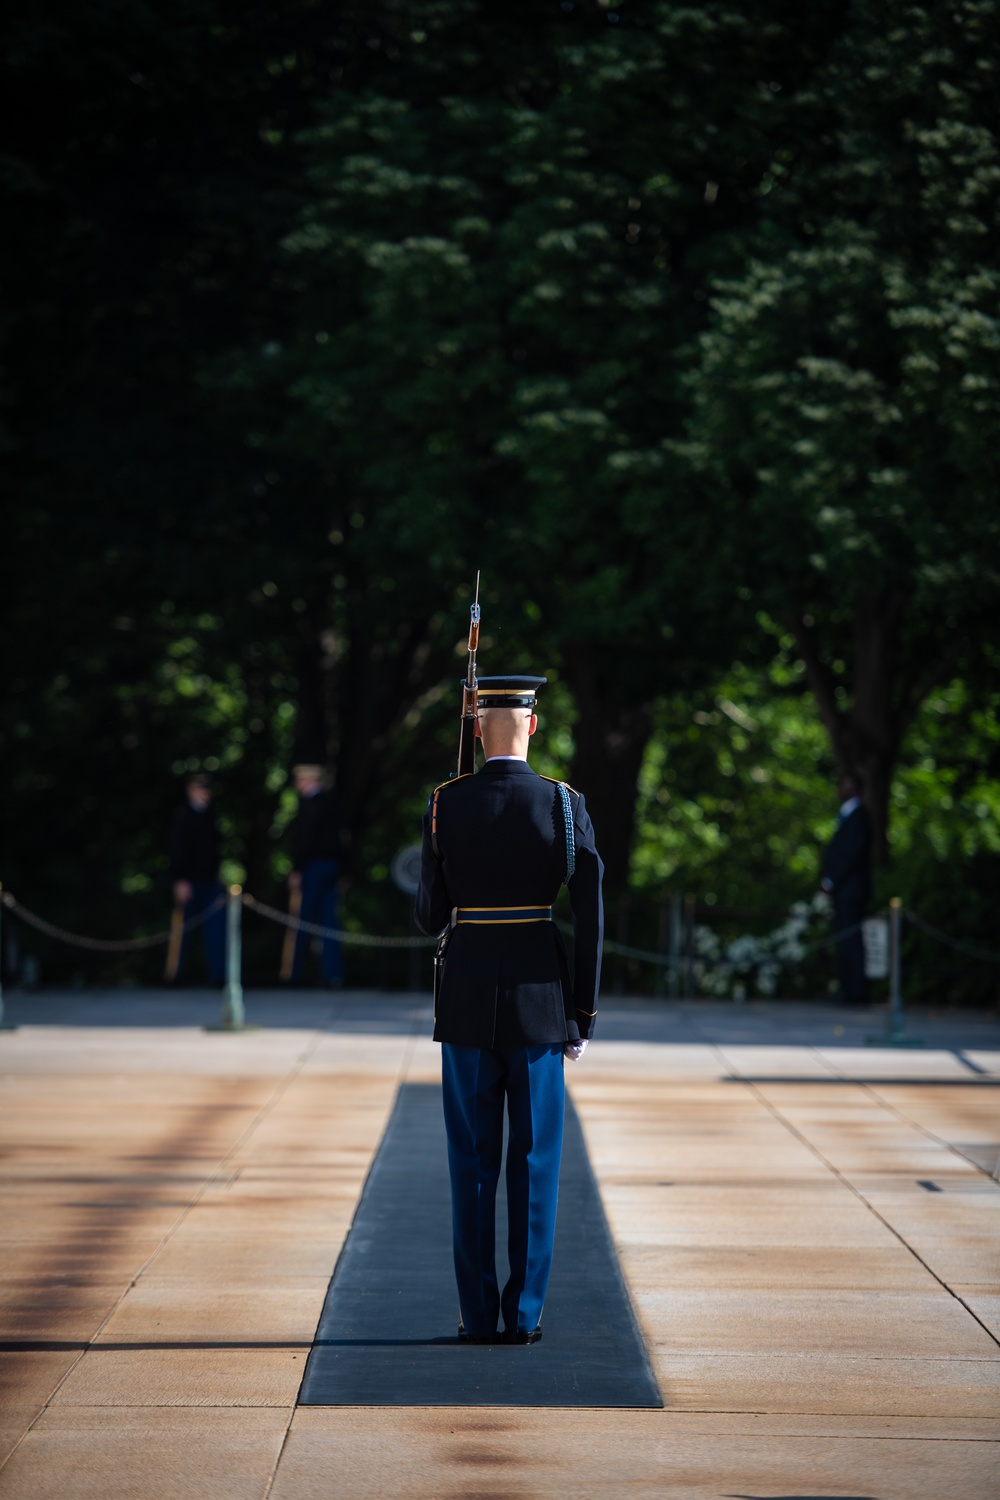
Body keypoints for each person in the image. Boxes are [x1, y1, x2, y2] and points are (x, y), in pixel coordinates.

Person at [414, 675, 604, 1346]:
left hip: (466, 1002)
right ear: (532, 725)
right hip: (540, 1005)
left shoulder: (446, 802)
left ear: (475, 730)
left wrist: (446, 839)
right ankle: (524, 1316)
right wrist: (583, 1011)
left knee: (471, 1164)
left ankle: (476, 1314)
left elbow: (429, 915)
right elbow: (591, 910)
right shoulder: (562, 804)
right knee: (534, 1163)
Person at [287, 764, 344, 987]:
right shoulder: (332, 803)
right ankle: (333, 974)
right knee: (330, 922)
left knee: (303, 919)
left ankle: (293, 973)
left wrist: (298, 869)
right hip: (331, 867)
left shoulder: (310, 805)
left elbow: (305, 841)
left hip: (313, 867)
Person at [165, 772, 226, 985]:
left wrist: (218, 874)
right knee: (183, 930)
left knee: (215, 931)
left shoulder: (211, 815)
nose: (205, 794)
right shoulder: (182, 815)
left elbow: (215, 850)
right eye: (201, 789)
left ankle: (217, 975)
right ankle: (175, 974)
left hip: (210, 881)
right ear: (191, 790)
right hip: (188, 881)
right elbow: (176, 851)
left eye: (207, 789)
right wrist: (179, 879)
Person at [820, 771, 872, 1005]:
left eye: (845, 783)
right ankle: (848, 989)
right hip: (844, 890)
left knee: (850, 941)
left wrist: (832, 880)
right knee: (844, 940)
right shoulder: (848, 815)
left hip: (851, 890)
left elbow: (851, 855)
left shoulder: (858, 817)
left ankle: (855, 991)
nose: (840, 789)